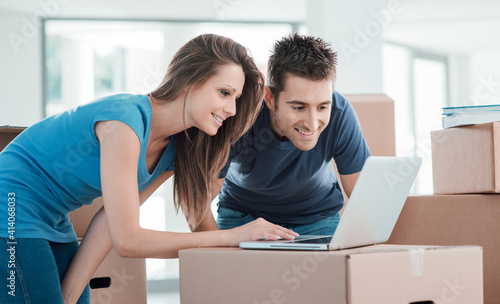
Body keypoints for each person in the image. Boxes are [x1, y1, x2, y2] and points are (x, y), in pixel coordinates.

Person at [0, 34, 298, 304]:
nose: (232, 109)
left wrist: (70, 297)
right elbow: (128, 240)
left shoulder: (175, 149)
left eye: (236, 98)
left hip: (53, 216)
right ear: (189, 81)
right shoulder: (125, 124)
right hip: (12, 204)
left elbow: (109, 223)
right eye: (224, 93)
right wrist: (230, 236)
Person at [197, 33, 371, 236]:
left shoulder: (341, 113)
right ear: (270, 98)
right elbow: (197, 203)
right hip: (243, 217)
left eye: (322, 106)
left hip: (317, 218)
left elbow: (364, 200)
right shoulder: (237, 115)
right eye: (299, 107)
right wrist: (220, 249)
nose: (312, 124)